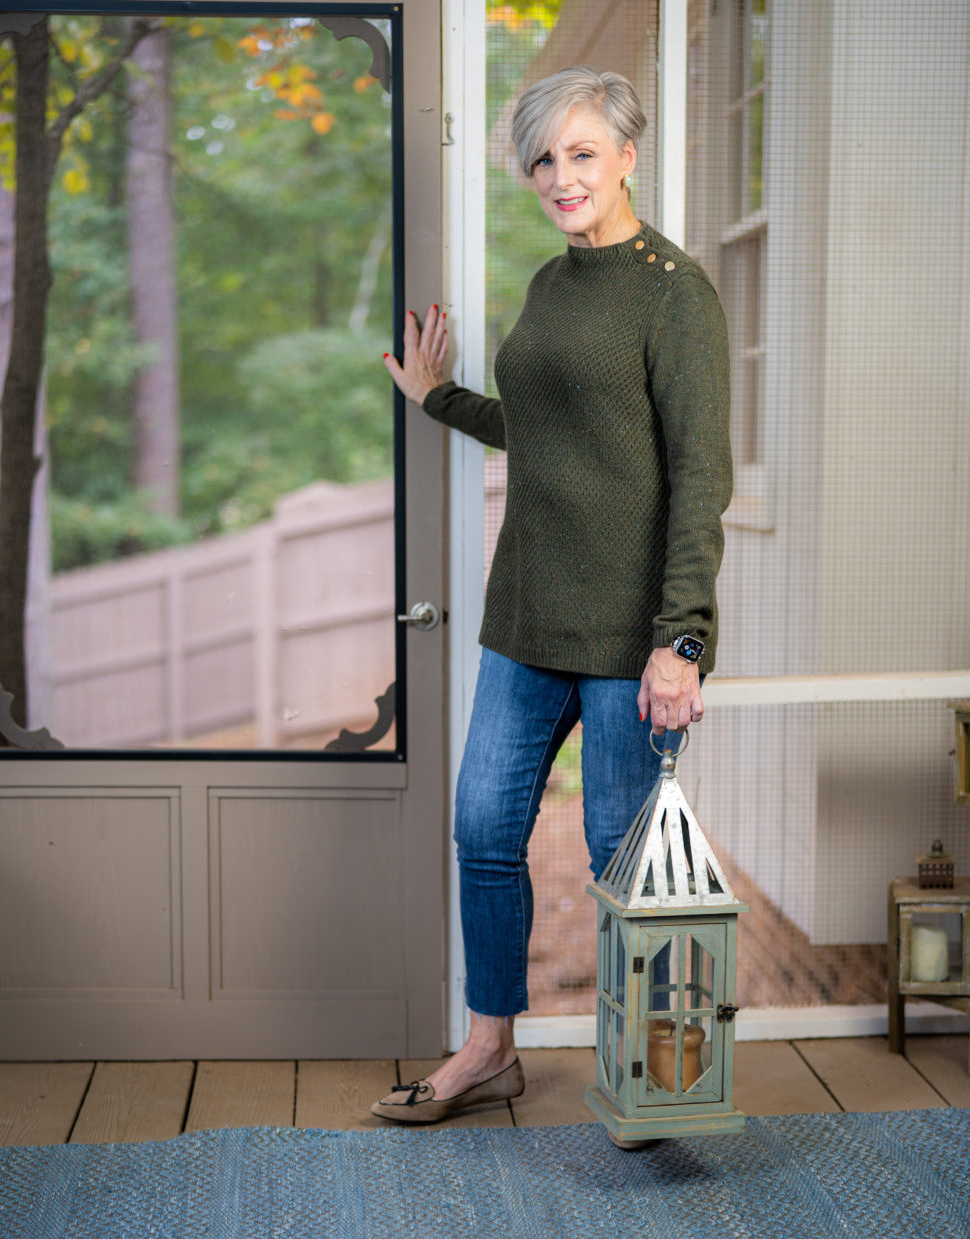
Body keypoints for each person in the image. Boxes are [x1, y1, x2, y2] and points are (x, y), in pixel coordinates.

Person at [371, 66, 732, 1124]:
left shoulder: (675, 294)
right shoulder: (549, 283)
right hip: (525, 617)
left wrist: (682, 640)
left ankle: (645, 1076)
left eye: (580, 152)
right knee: (484, 830)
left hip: (628, 640)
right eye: (542, 159)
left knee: (620, 859)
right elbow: (546, 430)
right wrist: (439, 398)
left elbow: (700, 479)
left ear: (626, 156)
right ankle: (489, 1049)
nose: (560, 176)